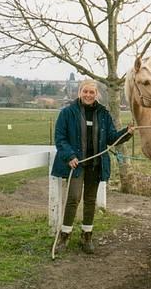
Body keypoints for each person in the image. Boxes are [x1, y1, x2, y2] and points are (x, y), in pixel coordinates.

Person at [51, 79, 134, 254]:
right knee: (73, 198)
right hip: (77, 165)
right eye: (85, 92)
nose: (88, 95)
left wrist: (126, 133)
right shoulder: (67, 113)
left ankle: (86, 236)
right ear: (79, 92)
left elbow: (111, 138)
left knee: (90, 201)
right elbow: (60, 138)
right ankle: (64, 236)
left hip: (95, 165)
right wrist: (69, 156)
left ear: (97, 94)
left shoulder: (103, 114)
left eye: (92, 92)